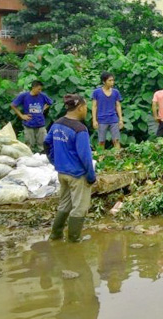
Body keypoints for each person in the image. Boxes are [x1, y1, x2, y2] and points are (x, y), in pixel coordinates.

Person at [44, 94, 96, 242]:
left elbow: (47, 143)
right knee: (80, 207)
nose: (87, 110)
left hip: (62, 173)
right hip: (77, 175)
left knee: (65, 204)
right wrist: (91, 176)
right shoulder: (80, 129)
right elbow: (85, 157)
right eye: (86, 107)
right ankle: (74, 240)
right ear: (80, 108)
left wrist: (54, 161)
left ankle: (56, 235)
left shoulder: (57, 124)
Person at [10, 80, 53, 153]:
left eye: (41, 89)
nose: (40, 91)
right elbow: (13, 105)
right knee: (29, 146)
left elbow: (50, 102)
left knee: (43, 145)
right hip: (29, 123)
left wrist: (44, 108)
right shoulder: (24, 96)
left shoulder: (42, 95)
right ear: (33, 87)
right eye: (38, 89)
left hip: (40, 124)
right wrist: (21, 115)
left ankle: (43, 159)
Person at [92, 72, 123, 149]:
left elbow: (118, 105)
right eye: (110, 80)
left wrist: (121, 120)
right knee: (101, 141)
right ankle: (101, 158)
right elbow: (94, 106)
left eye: (113, 80)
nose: (112, 82)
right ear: (104, 81)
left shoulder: (116, 92)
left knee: (116, 140)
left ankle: (118, 158)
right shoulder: (97, 92)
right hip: (102, 120)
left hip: (113, 119)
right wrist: (94, 120)